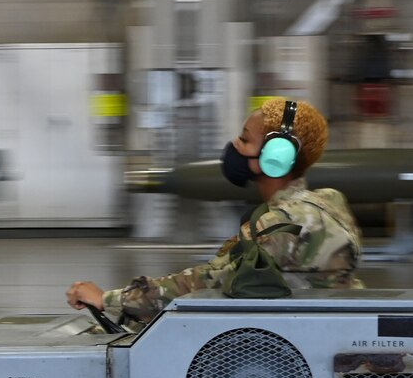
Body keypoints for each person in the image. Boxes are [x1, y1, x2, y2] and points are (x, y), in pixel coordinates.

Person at [67, 96, 362, 322]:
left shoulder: (278, 223)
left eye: (245, 139)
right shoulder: (327, 200)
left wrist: (109, 299)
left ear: (276, 158)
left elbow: (201, 285)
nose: (235, 144)